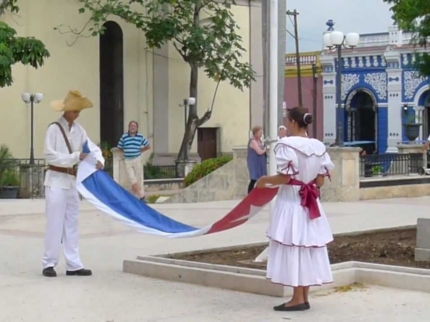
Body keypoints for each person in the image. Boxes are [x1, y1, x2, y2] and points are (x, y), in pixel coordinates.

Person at [256, 107, 334, 312]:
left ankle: (297, 298)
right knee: (306, 246)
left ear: (291, 122)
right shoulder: (318, 146)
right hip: (311, 203)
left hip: (291, 202)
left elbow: (285, 177)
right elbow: (319, 181)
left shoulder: (285, 144)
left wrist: (263, 181)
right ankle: (303, 296)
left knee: (293, 246)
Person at [42, 90, 105, 278]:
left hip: (71, 182)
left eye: (79, 111)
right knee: (54, 222)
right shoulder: (53, 129)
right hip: (55, 179)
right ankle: (49, 262)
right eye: (74, 111)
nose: (77, 114)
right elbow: (49, 155)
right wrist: (74, 157)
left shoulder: (79, 130)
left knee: (72, 222)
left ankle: (73, 264)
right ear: (66, 111)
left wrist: (99, 159)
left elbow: (91, 147)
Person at [117, 121, 151, 201]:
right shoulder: (124, 136)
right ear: (129, 127)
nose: (133, 127)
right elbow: (120, 147)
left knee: (137, 178)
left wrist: (140, 150)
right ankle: (141, 194)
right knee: (132, 178)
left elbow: (148, 146)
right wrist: (126, 152)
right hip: (128, 160)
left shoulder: (140, 136)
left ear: (137, 128)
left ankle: (135, 196)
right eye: (131, 126)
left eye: (134, 126)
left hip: (137, 159)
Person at [246, 125, 267, 193]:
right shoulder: (253, 141)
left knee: (261, 178)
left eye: (261, 132)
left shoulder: (260, 141)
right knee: (254, 179)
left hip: (260, 162)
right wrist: (265, 149)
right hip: (254, 162)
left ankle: (259, 193)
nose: (261, 134)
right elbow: (259, 152)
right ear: (255, 133)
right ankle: (250, 194)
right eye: (259, 132)